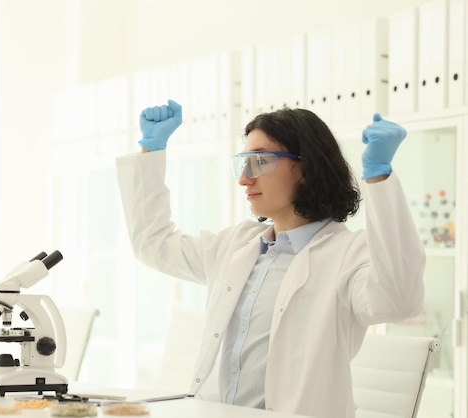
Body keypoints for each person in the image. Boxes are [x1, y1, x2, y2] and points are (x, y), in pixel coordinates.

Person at [115, 99, 425, 418]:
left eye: (260, 162)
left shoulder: (347, 255)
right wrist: (150, 152)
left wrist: (379, 179)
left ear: (305, 168)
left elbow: (398, 300)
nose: (244, 179)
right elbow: (154, 245)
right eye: (243, 163)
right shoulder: (236, 245)